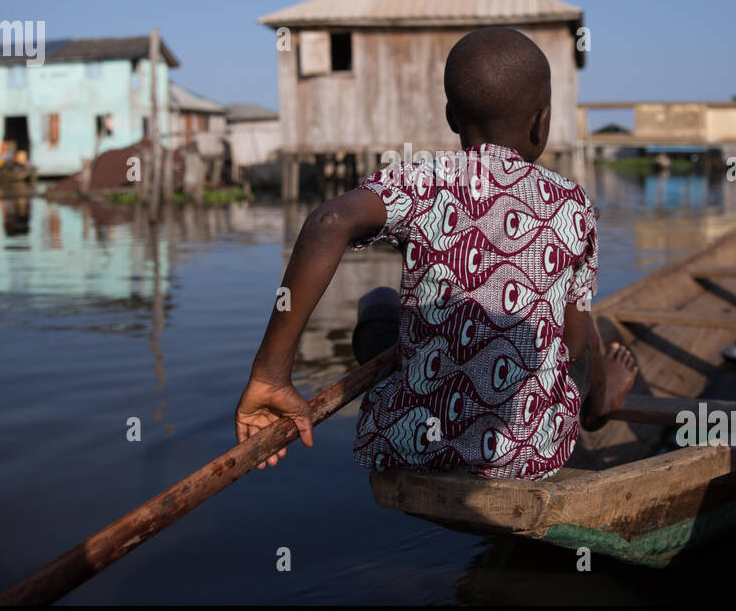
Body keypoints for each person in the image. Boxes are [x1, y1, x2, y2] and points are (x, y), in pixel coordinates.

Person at [234, 27, 636, 477]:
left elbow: (329, 222)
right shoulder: (572, 203)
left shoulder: (422, 180)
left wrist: (270, 374)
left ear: (450, 116)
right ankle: (598, 405)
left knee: (378, 303)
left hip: (412, 445)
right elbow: (575, 342)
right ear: (541, 122)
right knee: (578, 318)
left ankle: (424, 382)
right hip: (528, 454)